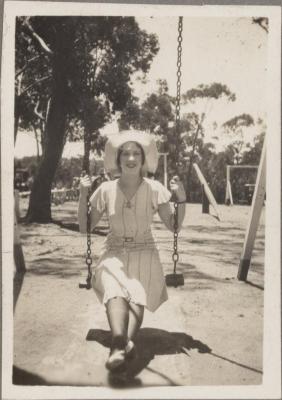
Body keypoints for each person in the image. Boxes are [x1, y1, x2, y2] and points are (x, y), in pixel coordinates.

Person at [78, 130, 186, 372]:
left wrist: (182, 200)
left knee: (137, 293)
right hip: (114, 250)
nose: (130, 158)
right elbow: (85, 227)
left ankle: (119, 345)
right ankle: (120, 343)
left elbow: (174, 225)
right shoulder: (105, 189)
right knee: (114, 289)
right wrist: (83, 194)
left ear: (143, 159)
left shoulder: (154, 188)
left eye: (136, 153)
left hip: (146, 250)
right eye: (125, 153)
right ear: (118, 160)